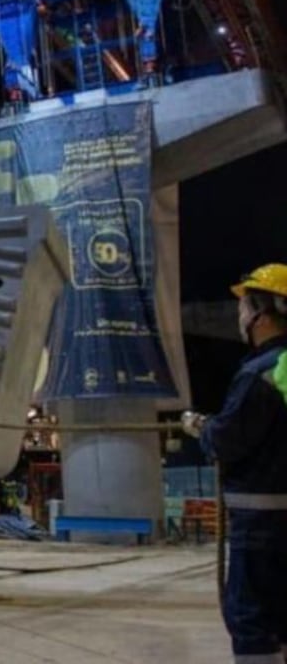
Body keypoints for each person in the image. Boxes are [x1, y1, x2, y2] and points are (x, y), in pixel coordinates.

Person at [183, 264, 287, 664]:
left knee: (251, 619)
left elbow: (227, 441)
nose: (239, 315)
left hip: (262, 520)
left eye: (244, 306)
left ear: (262, 313)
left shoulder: (260, 374)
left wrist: (202, 428)